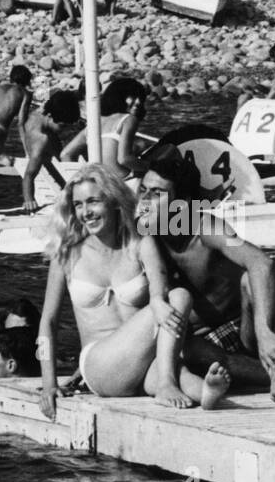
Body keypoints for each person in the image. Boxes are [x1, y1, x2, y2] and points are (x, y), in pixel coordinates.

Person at [138, 148, 275, 401]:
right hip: (195, 345)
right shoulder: (145, 236)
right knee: (186, 348)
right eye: (143, 190)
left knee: (250, 280)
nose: (145, 199)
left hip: (242, 332)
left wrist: (263, 332)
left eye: (157, 193)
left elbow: (262, 263)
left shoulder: (207, 228)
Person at [37, 163, 230, 420]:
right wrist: (49, 383)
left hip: (141, 362)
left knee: (176, 368)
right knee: (180, 297)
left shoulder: (139, 243)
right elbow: (48, 322)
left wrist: (158, 299)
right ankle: (165, 384)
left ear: (115, 202)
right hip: (100, 366)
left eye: (93, 201)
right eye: (78, 204)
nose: (86, 212)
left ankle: (204, 393)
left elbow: (158, 282)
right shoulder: (67, 254)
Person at [60, 76, 148, 177]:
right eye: (133, 97)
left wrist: (80, 180)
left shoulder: (95, 122)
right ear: (119, 96)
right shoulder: (128, 119)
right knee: (164, 181)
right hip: (122, 185)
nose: (138, 102)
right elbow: (124, 159)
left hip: (100, 184)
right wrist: (151, 166)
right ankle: (165, 194)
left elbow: (65, 154)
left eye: (140, 98)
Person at [19, 89, 82, 213]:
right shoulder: (41, 139)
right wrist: (29, 201)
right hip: (41, 158)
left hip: (44, 145)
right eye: (63, 126)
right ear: (49, 116)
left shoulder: (42, 111)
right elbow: (28, 176)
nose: (64, 130)